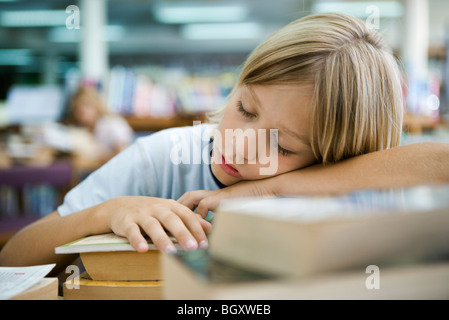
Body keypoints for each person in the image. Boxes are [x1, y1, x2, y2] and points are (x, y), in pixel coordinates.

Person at [1, 13, 448, 272]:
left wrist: (270, 189)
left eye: (284, 147)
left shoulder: (352, 186)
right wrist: (106, 212)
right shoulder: (162, 156)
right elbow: (11, 262)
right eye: (245, 110)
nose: (237, 147)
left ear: (339, 157)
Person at [67, 86, 134, 163]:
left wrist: (97, 160)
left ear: (96, 105)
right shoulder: (84, 129)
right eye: (77, 109)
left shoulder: (112, 124)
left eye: (86, 105)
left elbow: (122, 155)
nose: (82, 112)